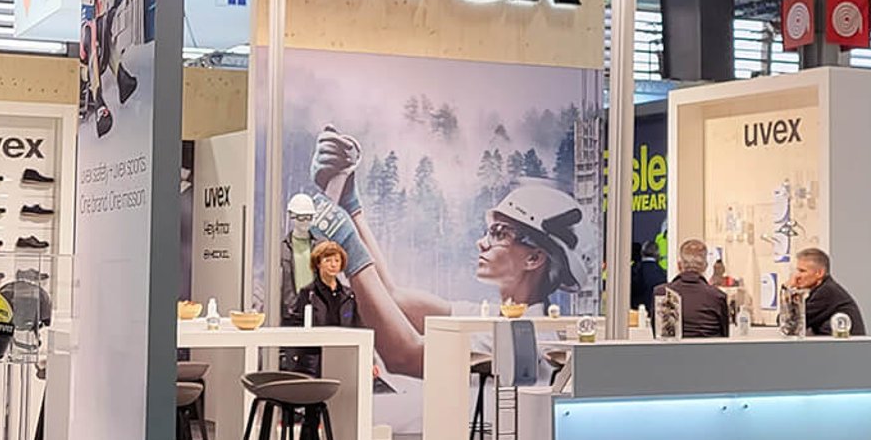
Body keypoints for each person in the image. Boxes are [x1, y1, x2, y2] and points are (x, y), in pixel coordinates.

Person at [307, 124, 586, 378]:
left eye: (499, 233)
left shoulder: (524, 334)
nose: (482, 243)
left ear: (534, 258)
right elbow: (392, 297)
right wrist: (352, 209)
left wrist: (349, 244)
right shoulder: (491, 317)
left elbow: (405, 355)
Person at [281, 241, 363, 377]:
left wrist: (370, 361)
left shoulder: (349, 295)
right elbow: (295, 326)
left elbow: (358, 327)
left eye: (337, 260)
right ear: (318, 263)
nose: (333, 264)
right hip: (313, 363)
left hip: (343, 359)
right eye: (328, 260)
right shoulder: (307, 294)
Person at [653, 239, 729, 338]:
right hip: (709, 347)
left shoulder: (662, 293)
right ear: (705, 266)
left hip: (673, 348)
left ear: (679, 265)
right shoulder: (717, 297)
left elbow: (658, 334)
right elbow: (725, 336)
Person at [790, 247, 865, 336]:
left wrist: (787, 290)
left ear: (820, 273)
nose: (797, 276)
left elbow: (791, 324)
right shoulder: (825, 289)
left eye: (802, 271)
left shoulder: (826, 292)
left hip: (842, 344)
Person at [629, 240, 664, 313]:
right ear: (657, 254)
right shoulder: (662, 273)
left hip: (635, 312)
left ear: (642, 253)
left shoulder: (633, 270)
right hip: (654, 312)